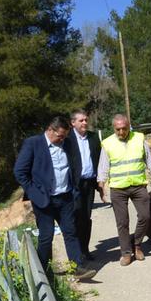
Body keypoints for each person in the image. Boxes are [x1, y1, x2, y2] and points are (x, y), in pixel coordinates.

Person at [13, 116, 96, 280]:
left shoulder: (67, 143)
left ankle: (77, 267)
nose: (62, 139)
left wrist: (75, 188)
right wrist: (34, 192)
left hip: (65, 197)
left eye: (64, 136)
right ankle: (43, 272)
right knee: (46, 236)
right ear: (50, 130)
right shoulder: (33, 144)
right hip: (44, 200)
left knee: (70, 232)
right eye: (59, 136)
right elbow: (20, 172)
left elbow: (74, 165)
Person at [97, 114, 151, 266]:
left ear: (129, 126)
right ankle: (126, 253)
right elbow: (103, 166)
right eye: (118, 129)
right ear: (113, 128)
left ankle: (137, 245)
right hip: (118, 188)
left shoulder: (139, 138)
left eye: (124, 129)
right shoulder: (107, 143)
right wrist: (101, 186)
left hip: (138, 185)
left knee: (145, 216)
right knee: (122, 222)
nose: (121, 132)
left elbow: (149, 160)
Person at [65, 109, 101, 261]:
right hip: (74, 185)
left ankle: (85, 249)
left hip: (89, 184)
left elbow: (99, 160)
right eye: (81, 120)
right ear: (73, 123)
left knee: (86, 217)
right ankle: (76, 252)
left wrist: (100, 184)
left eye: (86, 120)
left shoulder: (93, 138)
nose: (85, 123)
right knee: (75, 218)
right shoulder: (67, 139)